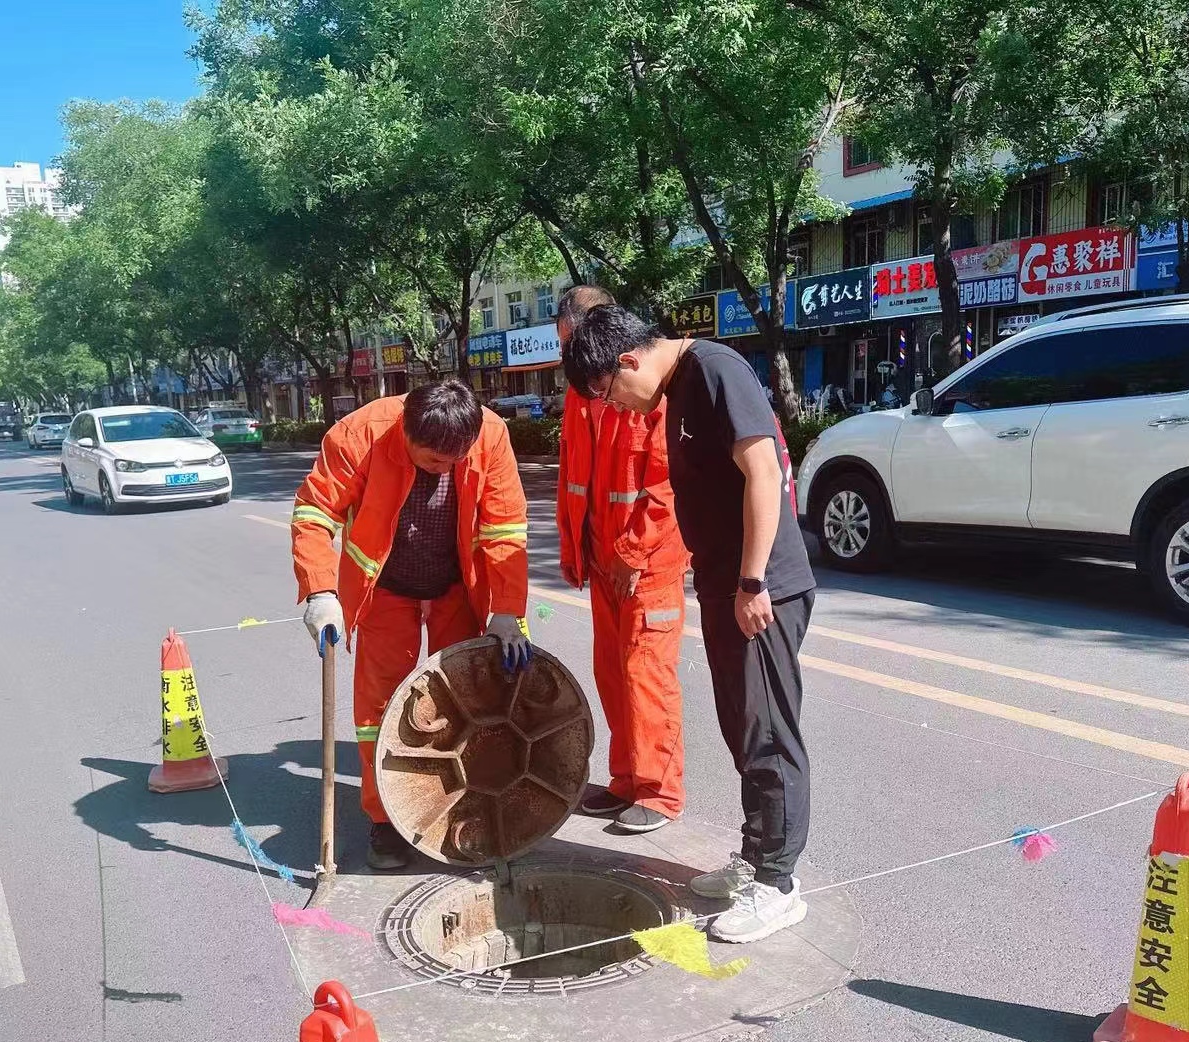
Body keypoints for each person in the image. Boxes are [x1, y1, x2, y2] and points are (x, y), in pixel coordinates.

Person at [562, 306, 816, 943]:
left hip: (762, 589)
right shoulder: (680, 386)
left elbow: (764, 471)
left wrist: (752, 581)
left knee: (768, 734)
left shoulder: (714, 370)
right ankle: (755, 858)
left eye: (610, 392)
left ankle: (778, 884)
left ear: (629, 360)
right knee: (741, 726)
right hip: (727, 587)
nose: (616, 407)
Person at [291, 381, 531, 869]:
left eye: (455, 461)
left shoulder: (490, 434)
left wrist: (507, 610)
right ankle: (386, 818)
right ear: (405, 432)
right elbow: (315, 514)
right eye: (433, 460)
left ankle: (458, 804)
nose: (445, 468)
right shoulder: (360, 434)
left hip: (456, 587)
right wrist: (320, 590)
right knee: (379, 710)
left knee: (462, 702)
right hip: (386, 588)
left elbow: (505, 526)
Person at [555, 285, 689, 834]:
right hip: (603, 561)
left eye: (574, 343)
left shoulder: (649, 390)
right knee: (612, 674)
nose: (570, 357)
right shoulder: (582, 394)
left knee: (645, 672)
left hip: (647, 565)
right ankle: (626, 779)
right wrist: (574, 547)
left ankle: (659, 791)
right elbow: (573, 477)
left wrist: (631, 553)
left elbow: (667, 486)